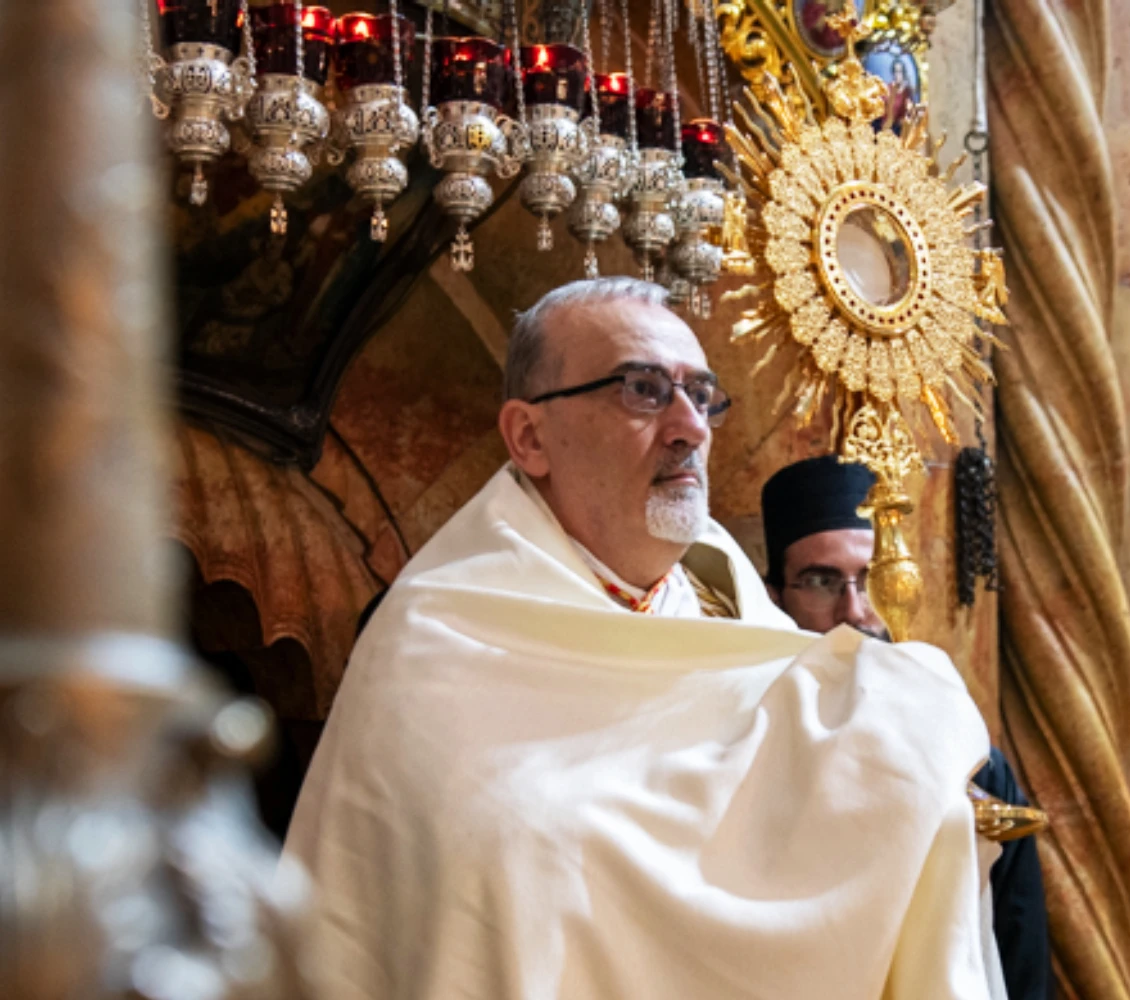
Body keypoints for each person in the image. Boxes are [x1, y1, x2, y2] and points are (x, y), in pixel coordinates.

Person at [283, 278, 1004, 1000]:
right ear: (529, 437)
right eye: (643, 390)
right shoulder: (434, 634)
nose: (689, 425)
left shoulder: (732, 606)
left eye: (702, 393)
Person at [762, 456, 1051, 1000]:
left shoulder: (971, 761)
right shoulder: (749, 748)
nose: (854, 611)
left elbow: (1019, 950)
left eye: (872, 579)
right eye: (821, 581)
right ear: (774, 595)